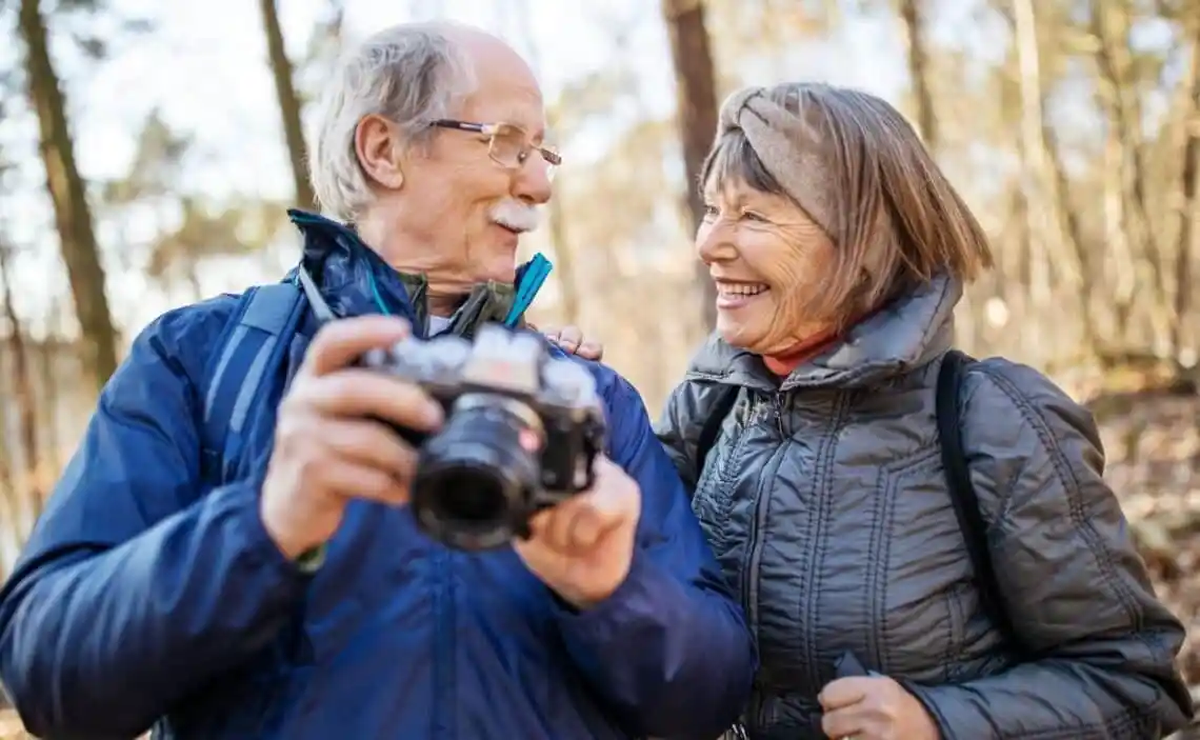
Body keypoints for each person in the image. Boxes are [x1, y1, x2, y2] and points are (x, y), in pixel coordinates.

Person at [0, 22, 756, 740]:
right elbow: (48, 677)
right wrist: (263, 528)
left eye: (542, 154)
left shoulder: (585, 397)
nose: (538, 184)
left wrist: (613, 593)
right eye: (506, 143)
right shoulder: (196, 363)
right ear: (383, 150)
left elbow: (711, 694)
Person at [561, 82, 1195, 739]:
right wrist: (558, 400)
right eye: (713, 210)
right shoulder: (712, 404)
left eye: (751, 216)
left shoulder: (995, 421)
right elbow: (612, 583)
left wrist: (937, 723)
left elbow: (1133, 684)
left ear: (861, 239)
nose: (709, 244)